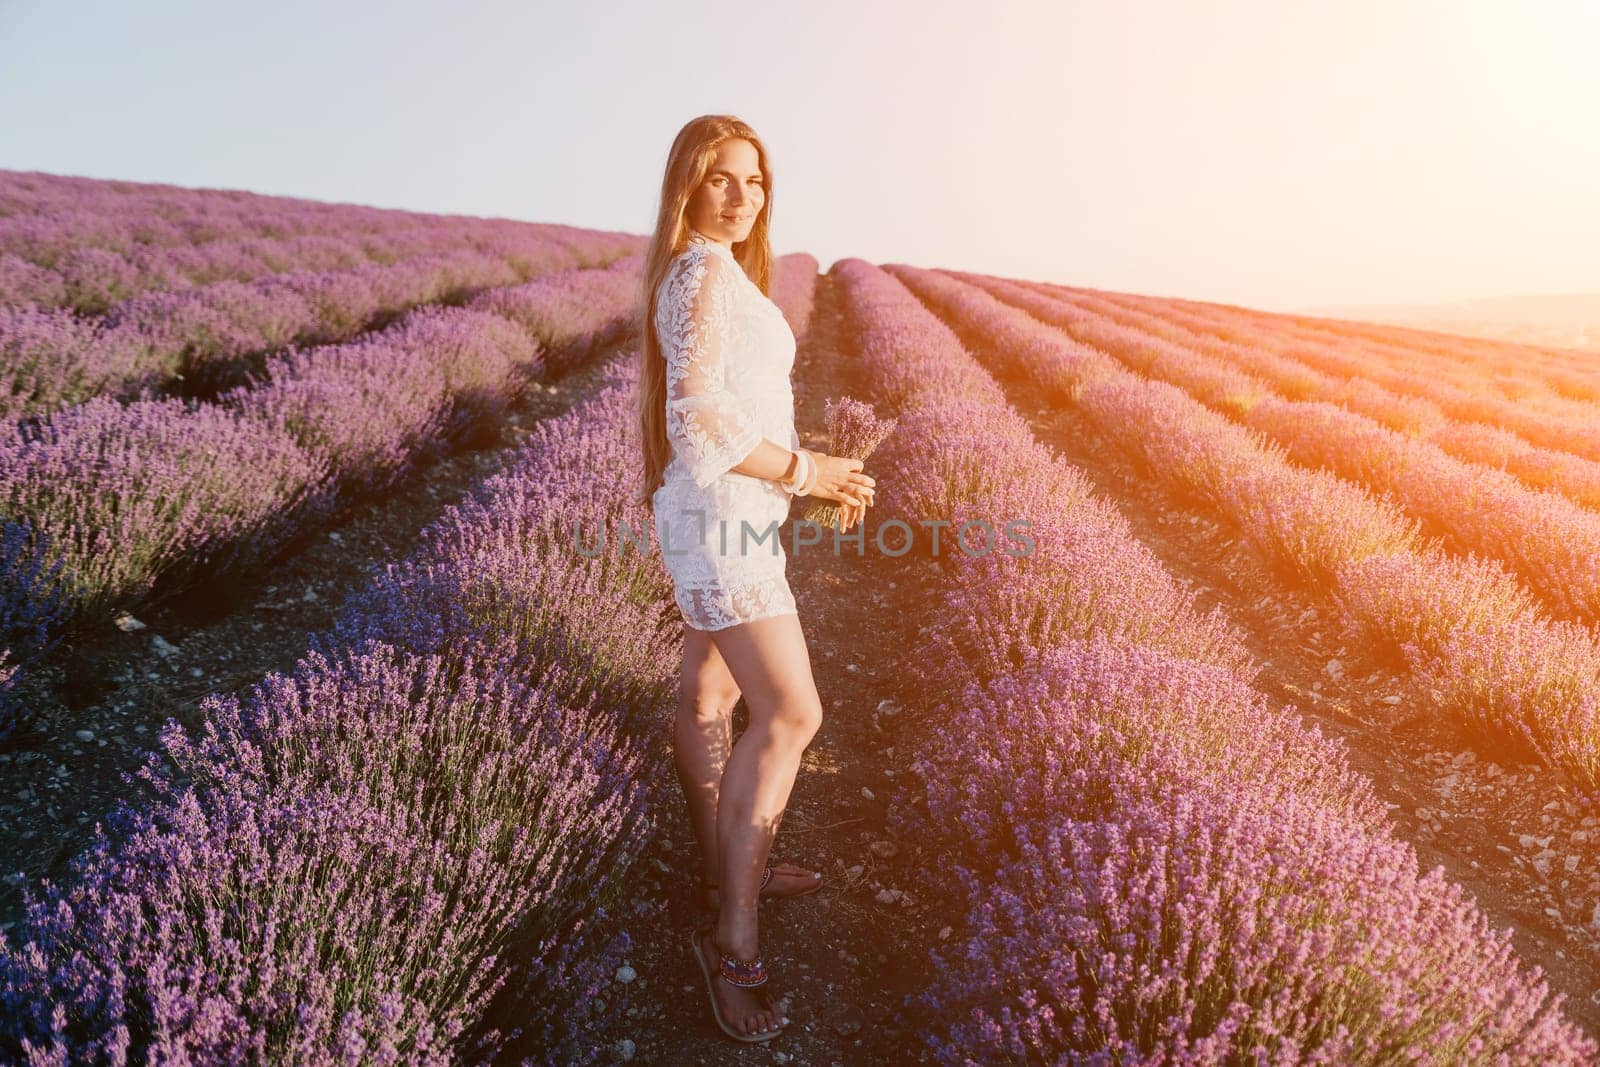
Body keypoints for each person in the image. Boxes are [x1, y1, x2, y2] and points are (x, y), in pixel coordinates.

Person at [633, 114, 876, 1043]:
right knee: (791, 713)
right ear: (687, 188)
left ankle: (731, 857)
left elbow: (732, 412)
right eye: (721, 179)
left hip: (731, 515)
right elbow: (701, 428)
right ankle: (733, 940)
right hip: (721, 523)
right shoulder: (697, 274)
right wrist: (807, 470)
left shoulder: (720, 275)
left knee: (707, 690)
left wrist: (800, 488)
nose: (742, 196)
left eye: (755, 179)